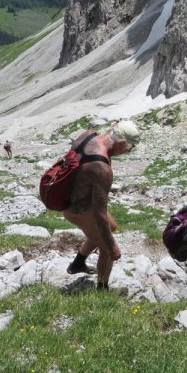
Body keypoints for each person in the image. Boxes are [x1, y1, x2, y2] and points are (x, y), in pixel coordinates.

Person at [64, 120, 141, 290]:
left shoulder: (88, 135)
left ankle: (78, 262)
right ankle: (102, 288)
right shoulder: (102, 168)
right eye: (130, 148)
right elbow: (99, 214)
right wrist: (112, 247)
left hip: (70, 198)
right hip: (78, 209)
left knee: (111, 227)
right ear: (122, 143)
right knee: (107, 248)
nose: (128, 152)